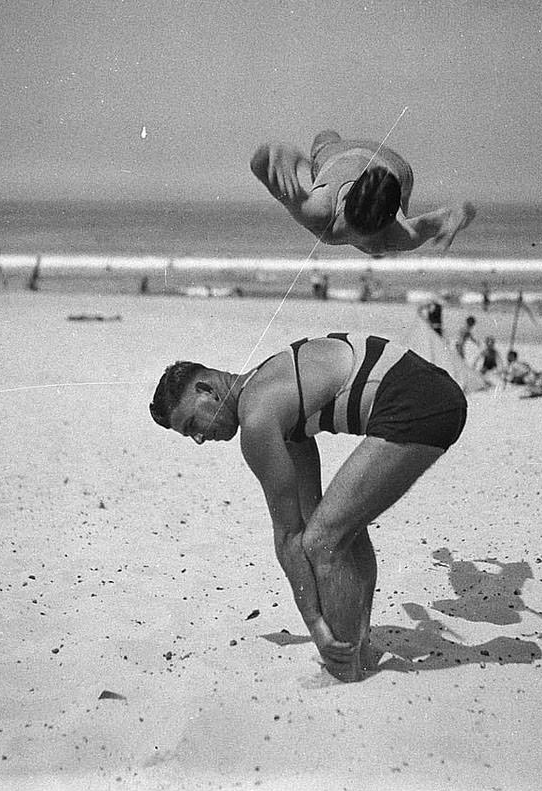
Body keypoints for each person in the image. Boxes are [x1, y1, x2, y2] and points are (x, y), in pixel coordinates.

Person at [150, 332, 468, 682]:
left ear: (207, 389)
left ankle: (345, 671)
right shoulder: (270, 388)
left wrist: (315, 625)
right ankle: (359, 650)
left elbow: (290, 538)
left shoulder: (257, 417)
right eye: (189, 435)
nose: (198, 438)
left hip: (417, 402)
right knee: (338, 528)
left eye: (193, 424)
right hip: (433, 392)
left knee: (324, 541)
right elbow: (306, 514)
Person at [250, 130, 476, 256]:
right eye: (352, 228)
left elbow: (455, 214)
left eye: (366, 237)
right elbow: (260, 166)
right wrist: (274, 150)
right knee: (324, 139)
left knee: (383, 248)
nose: (353, 239)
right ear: (345, 203)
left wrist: (463, 214)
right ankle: (324, 145)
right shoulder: (318, 210)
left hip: (395, 166)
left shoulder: (401, 235)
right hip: (336, 154)